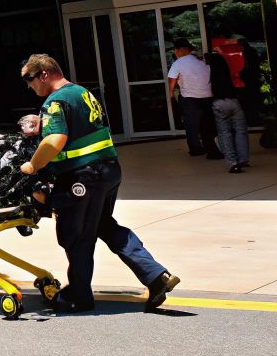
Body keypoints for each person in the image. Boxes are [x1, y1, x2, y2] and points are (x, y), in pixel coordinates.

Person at [17, 54, 179, 313]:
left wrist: (32, 166)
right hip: (108, 170)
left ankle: (78, 297)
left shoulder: (55, 101)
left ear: (44, 74)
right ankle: (155, 275)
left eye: (29, 78)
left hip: (82, 177)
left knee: (77, 235)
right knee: (103, 224)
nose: (28, 85)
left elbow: (55, 141)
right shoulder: (82, 93)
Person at [167, 38, 221, 159]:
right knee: (206, 124)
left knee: (191, 125)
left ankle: (196, 149)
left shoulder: (178, 63)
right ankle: (211, 148)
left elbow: (172, 80)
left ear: (179, 49)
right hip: (207, 96)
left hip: (190, 98)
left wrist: (171, 94)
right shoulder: (201, 60)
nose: (175, 53)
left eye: (175, 50)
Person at [206, 50, 250, 173]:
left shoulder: (209, 73)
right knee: (241, 131)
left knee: (224, 133)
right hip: (234, 101)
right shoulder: (226, 70)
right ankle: (243, 159)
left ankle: (233, 163)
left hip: (219, 103)